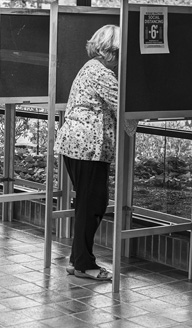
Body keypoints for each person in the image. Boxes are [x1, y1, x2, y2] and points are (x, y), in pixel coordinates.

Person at [54, 24, 136, 281]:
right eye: (122, 52)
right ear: (112, 51)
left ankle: (78, 260)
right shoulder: (101, 73)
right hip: (87, 148)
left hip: (78, 146)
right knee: (93, 204)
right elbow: (124, 105)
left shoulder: (91, 68)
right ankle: (84, 265)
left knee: (88, 204)